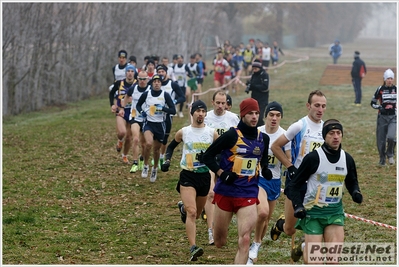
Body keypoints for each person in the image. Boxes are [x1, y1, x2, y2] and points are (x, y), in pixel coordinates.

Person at [202, 98, 272, 264]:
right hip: (226, 191)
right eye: (250, 113)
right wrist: (222, 173)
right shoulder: (232, 135)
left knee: (245, 238)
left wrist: (266, 169)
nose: (254, 117)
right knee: (220, 242)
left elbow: (263, 159)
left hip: (248, 192)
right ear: (242, 115)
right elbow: (207, 156)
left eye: (256, 113)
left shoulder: (263, 139)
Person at [288, 119, 363, 264]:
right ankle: (305, 246)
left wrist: (355, 192)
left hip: (334, 213)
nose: (335, 136)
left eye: (338, 133)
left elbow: (352, 181)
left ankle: (305, 245)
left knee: (333, 261)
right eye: (331, 133)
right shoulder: (313, 158)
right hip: (313, 214)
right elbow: (294, 185)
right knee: (314, 261)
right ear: (324, 136)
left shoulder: (347, 158)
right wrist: (298, 206)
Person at [269, 90, 327, 262]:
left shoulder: (327, 129)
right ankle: (281, 224)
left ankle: (305, 246)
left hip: (317, 184)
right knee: (290, 230)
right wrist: (290, 166)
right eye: (317, 105)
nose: (320, 109)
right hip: (297, 182)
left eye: (323, 106)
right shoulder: (299, 126)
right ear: (308, 106)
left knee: (318, 227)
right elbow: (275, 146)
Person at [161, 100, 219, 262]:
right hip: (187, 175)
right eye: (198, 110)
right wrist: (167, 160)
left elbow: (220, 152)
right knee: (193, 212)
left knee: (198, 213)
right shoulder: (184, 132)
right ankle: (193, 247)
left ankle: (183, 210)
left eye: (203, 111)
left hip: (204, 177)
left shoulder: (211, 133)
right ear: (192, 113)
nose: (200, 113)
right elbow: (171, 147)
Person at [247, 101, 291, 265]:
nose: (274, 118)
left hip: (274, 180)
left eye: (278, 115)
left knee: (265, 220)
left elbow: (288, 158)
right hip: (257, 180)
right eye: (271, 115)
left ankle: (256, 244)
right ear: (265, 116)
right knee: (262, 213)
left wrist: (289, 165)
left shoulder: (285, 135)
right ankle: (252, 245)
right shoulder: (256, 132)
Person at [202, 90, 240, 245]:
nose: (220, 106)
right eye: (217, 103)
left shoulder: (233, 118)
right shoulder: (206, 117)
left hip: (228, 163)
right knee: (210, 193)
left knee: (222, 195)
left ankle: (217, 222)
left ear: (227, 104)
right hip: (210, 160)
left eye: (223, 103)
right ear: (212, 102)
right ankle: (211, 230)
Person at [135, 74, 176, 182]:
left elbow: (173, 110)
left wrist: (163, 108)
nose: (156, 83)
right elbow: (138, 105)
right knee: (148, 143)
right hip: (149, 123)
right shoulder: (146, 94)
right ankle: (146, 165)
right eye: (155, 81)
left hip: (160, 124)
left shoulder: (165, 95)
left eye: (158, 81)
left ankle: (154, 169)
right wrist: (142, 112)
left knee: (156, 149)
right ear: (152, 83)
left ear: (161, 84)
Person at [155, 64, 186, 168]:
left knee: (165, 137)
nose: (160, 74)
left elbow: (182, 97)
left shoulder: (172, 84)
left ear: (166, 73)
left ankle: (161, 156)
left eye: (162, 72)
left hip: (168, 114)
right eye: (159, 72)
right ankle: (156, 154)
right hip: (155, 114)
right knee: (155, 137)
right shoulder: (153, 84)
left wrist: (175, 101)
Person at [123, 70, 151, 173]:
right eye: (140, 79)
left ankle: (142, 159)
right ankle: (134, 163)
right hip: (135, 117)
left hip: (146, 119)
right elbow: (126, 96)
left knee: (144, 144)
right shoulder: (133, 88)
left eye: (144, 79)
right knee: (135, 139)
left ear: (147, 79)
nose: (142, 81)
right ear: (137, 79)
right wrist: (122, 107)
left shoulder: (150, 89)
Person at [109, 64, 136, 163]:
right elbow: (111, 93)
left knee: (129, 137)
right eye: (128, 71)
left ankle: (124, 155)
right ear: (125, 73)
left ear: (134, 73)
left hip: (132, 112)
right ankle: (120, 141)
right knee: (122, 132)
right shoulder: (119, 83)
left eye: (132, 71)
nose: (130, 73)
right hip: (121, 110)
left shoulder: (137, 84)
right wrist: (112, 104)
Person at [370, 69, 397, 166]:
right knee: (381, 140)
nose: (390, 80)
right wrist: (380, 108)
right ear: (384, 79)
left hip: (393, 117)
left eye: (391, 78)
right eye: (388, 78)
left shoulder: (396, 89)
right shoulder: (380, 89)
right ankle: (382, 159)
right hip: (382, 117)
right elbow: (372, 103)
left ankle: (390, 154)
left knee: (391, 137)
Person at [245, 59, 269, 127]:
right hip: (254, 99)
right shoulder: (254, 75)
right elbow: (253, 86)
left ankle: (262, 130)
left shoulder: (264, 75)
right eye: (253, 68)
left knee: (259, 117)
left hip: (262, 100)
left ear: (259, 67)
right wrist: (249, 86)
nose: (254, 70)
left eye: (256, 68)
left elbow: (265, 87)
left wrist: (253, 86)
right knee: (254, 117)